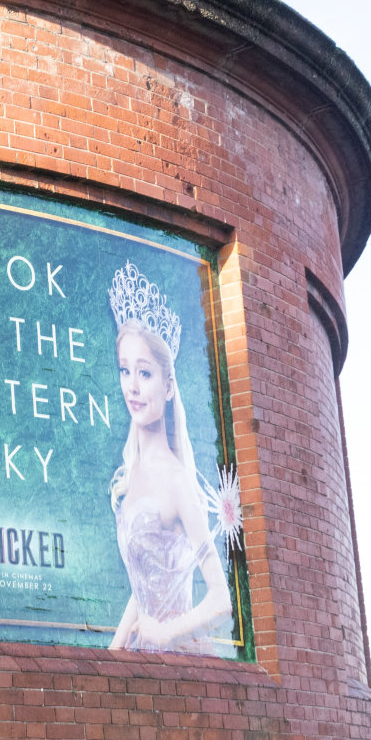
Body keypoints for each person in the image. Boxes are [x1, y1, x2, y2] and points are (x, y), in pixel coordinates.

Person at [104, 262, 231, 656]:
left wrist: (164, 633)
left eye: (145, 373)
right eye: (125, 370)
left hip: (179, 661)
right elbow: (145, 584)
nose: (132, 387)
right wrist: (112, 651)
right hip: (141, 662)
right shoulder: (133, 471)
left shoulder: (177, 481)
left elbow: (221, 601)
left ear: (169, 385)